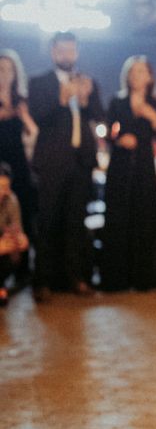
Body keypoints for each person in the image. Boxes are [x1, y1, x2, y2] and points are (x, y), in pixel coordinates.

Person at [28, 32, 104, 301]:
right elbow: (37, 115)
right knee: (48, 222)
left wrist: (85, 99)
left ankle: (77, 277)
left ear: (77, 52)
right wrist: (61, 99)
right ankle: (42, 282)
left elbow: (99, 115)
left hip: (80, 163)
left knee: (76, 222)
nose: (67, 55)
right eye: (62, 50)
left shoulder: (87, 81)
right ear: (53, 52)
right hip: (52, 163)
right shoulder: (40, 83)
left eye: (71, 50)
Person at [101, 57, 156, 291]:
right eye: (134, 72)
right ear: (127, 76)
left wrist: (152, 116)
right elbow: (108, 132)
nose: (138, 75)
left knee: (144, 221)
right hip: (120, 167)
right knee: (118, 220)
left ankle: (143, 278)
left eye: (142, 71)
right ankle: (116, 278)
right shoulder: (117, 102)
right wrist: (119, 139)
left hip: (144, 168)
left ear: (149, 77)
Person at [0, 50, 38, 282]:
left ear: (15, 73)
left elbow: (33, 133)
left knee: (20, 214)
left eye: (7, 69)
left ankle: (23, 269)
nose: (3, 74)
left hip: (18, 167)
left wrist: (21, 116)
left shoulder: (21, 101)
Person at [0, 163, 29, 306]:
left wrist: (18, 240)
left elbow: (19, 232)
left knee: (14, 253)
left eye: (7, 187)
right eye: (1, 187)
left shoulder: (11, 199)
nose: (5, 191)